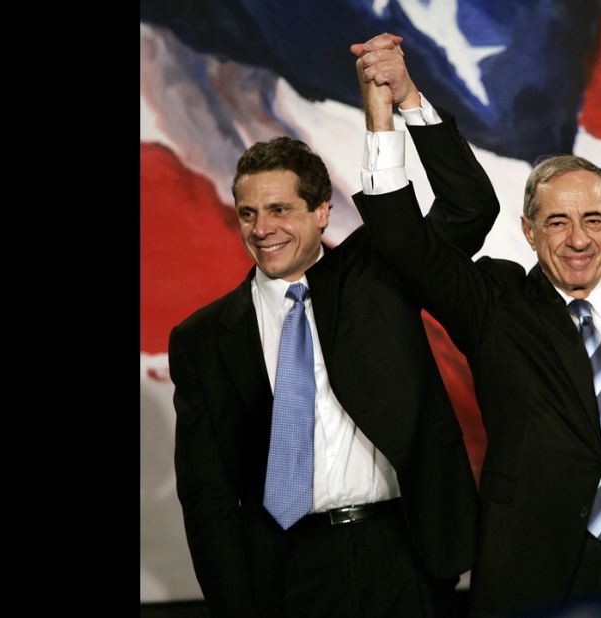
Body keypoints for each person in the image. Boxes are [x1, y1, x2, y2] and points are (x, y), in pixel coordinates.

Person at [353, 50, 601, 615]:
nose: (577, 240)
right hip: (531, 568)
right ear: (528, 230)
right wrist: (396, 108)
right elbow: (402, 243)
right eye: (557, 222)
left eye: (592, 220)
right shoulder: (495, 304)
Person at [168, 35, 498, 618]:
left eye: (280, 210)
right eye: (249, 213)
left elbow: (469, 206)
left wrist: (407, 100)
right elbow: (208, 496)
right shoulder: (203, 339)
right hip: (287, 572)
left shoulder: (379, 272)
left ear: (322, 212)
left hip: (403, 554)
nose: (262, 228)